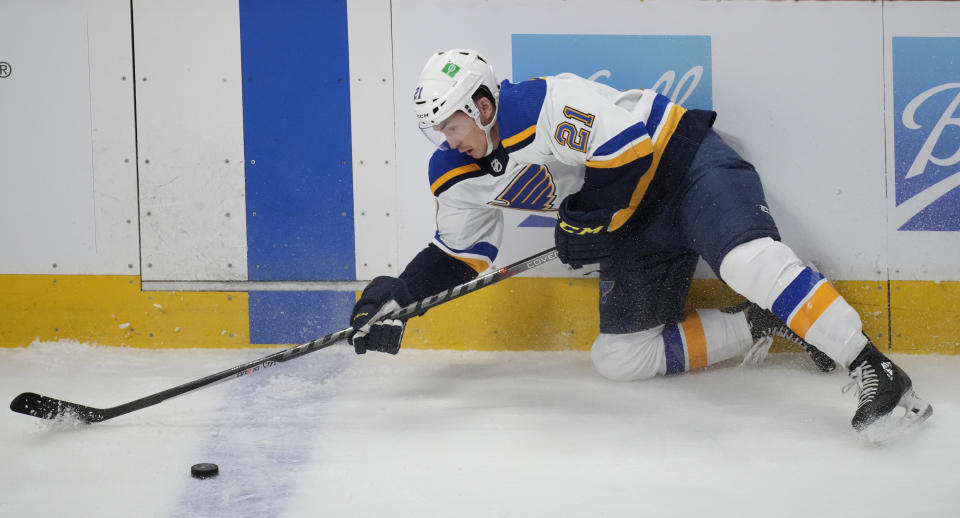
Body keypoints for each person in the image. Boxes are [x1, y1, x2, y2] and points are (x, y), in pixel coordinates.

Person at [348, 48, 933, 434]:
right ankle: (763, 321)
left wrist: (586, 218)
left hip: (685, 168)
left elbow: (629, 150)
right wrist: (400, 295)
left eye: (451, 125)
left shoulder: (548, 104)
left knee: (745, 259)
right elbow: (462, 253)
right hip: (635, 225)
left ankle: (873, 366)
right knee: (622, 358)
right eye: (436, 130)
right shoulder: (456, 171)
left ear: (482, 106)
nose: (446, 141)